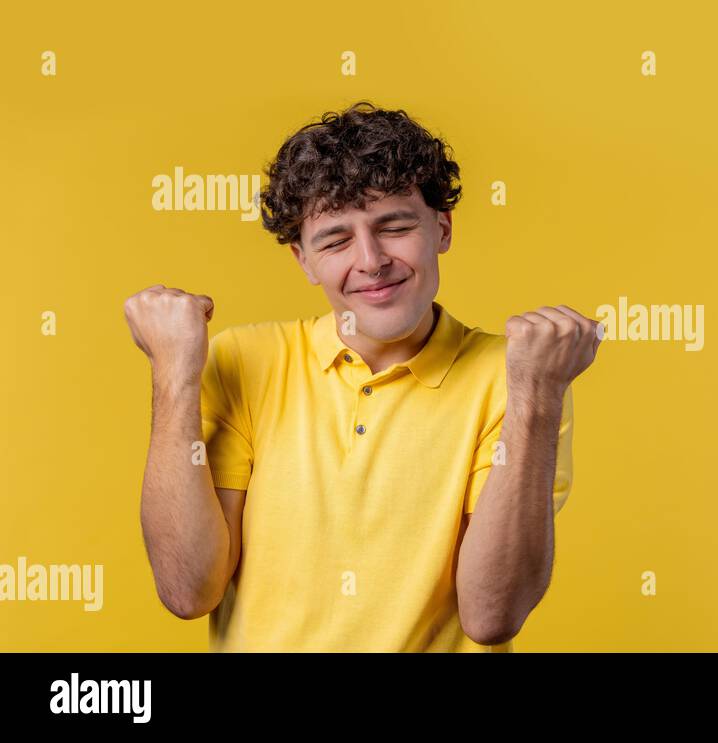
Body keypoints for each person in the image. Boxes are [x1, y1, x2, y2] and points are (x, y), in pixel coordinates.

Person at [123, 101, 600, 651]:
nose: (371, 260)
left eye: (394, 226)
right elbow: (187, 590)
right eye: (335, 240)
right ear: (303, 260)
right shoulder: (242, 360)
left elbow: (492, 613)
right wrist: (173, 372)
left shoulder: (516, 377)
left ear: (441, 228)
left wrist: (538, 395)